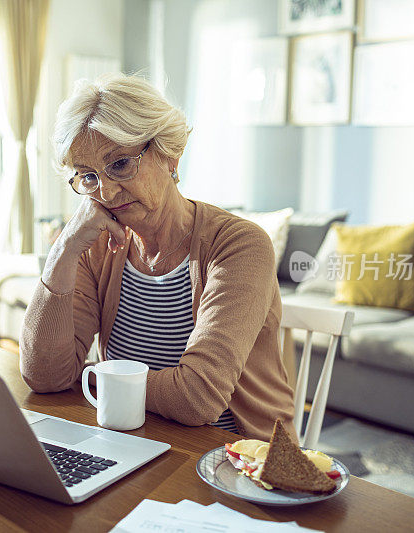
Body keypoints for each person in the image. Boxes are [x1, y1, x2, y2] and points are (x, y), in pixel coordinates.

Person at [19, 73, 294, 441]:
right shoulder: (97, 244)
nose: (107, 191)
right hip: (130, 439)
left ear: (169, 154)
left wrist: (100, 377)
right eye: (87, 176)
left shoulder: (239, 245)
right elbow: (46, 377)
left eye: (119, 164)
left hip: (235, 458)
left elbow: (197, 398)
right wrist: (64, 248)